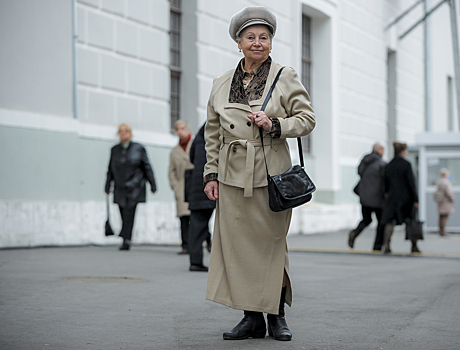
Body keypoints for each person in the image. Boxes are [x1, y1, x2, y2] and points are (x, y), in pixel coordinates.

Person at [203, 6, 315, 342]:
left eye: (263, 37)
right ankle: (250, 317)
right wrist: (211, 174)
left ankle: (276, 315)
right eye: (250, 37)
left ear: (270, 42)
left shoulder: (285, 75)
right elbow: (213, 132)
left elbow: (307, 119)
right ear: (238, 42)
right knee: (237, 249)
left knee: (271, 247)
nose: (257, 42)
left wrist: (276, 124)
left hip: (270, 175)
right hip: (233, 176)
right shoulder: (222, 83)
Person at [105, 123, 157, 250]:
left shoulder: (138, 148)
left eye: (126, 131)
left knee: (129, 212)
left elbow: (147, 166)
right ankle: (125, 236)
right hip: (120, 187)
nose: (123, 133)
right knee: (123, 211)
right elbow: (110, 169)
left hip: (135, 186)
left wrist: (152, 184)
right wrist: (107, 185)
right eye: (121, 131)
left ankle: (126, 239)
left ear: (130, 133)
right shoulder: (114, 150)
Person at [380, 142, 419, 254]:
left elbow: (385, 184)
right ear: (403, 152)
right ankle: (414, 245)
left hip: (392, 198)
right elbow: (412, 183)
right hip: (406, 198)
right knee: (410, 221)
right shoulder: (406, 164)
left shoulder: (389, 165)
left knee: (390, 222)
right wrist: (416, 199)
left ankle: (386, 244)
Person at [348, 142, 386, 251]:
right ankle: (377, 246)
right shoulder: (381, 164)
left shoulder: (364, 162)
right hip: (378, 198)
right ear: (380, 150)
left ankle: (355, 232)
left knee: (366, 219)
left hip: (364, 197)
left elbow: (359, 173)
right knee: (381, 223)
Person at [187, 123, 215, 272]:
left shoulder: (198, 136)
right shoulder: (219, 128)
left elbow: (191, 157)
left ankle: (195, 260)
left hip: (197, 184)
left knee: (197, 225)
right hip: (212, 183)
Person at [169, 120, 194, 255]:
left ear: (187, 128)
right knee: (184, 218)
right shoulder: (174, 151)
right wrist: (175, 185)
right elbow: (171, 171)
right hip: (182, 187)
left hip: (195, 186)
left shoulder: (196, 144)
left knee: (197, 217)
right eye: (177, 129)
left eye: (182, 128)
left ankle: (207, 241)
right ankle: (185, 245)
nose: (180, 131)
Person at [435, 168, 455, 236]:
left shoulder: (439, 182)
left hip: (441, 201)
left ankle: (441, 230)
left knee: (441, 216)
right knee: (445, 216)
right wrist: (452, 199)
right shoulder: (446, 182)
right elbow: (449, 192)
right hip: (446, 201)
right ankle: (443, 231)